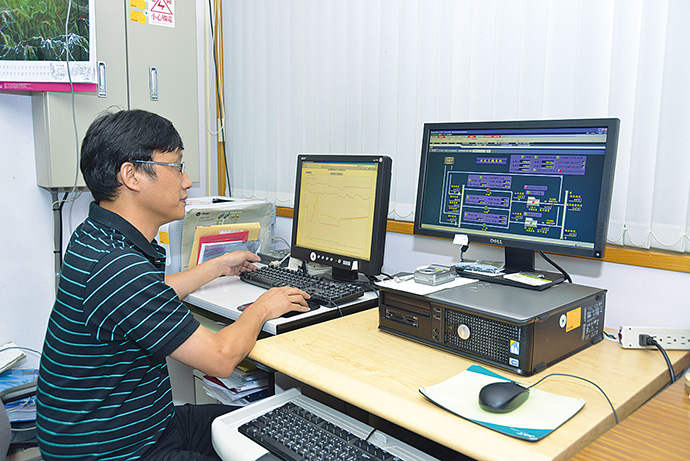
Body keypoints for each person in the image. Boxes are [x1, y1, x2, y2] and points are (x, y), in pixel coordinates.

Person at [35, 109, 310, 460]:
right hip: (113, 451)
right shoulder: (118, 268)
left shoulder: (96, 236)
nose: (187, 181)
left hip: (137, 425)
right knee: (272, 449)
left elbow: (148, 294)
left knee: (267, 425)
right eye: (177, 167)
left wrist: (216, 267)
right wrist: (261, 309)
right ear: (131, 175)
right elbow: (221, 359)